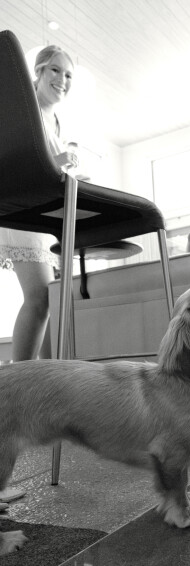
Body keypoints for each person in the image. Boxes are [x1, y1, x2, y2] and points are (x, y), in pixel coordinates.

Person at [0, 45, 78, 503]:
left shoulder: (55, 120)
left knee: (46, 297)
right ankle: (17, 386)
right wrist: (57, 165)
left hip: (38, 209)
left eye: (68, 76)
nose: (62, 81)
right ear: (38, 70)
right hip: (20, 206)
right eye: (55, 71)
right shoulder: (23, 106)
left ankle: (29, 384)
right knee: (41, 297)